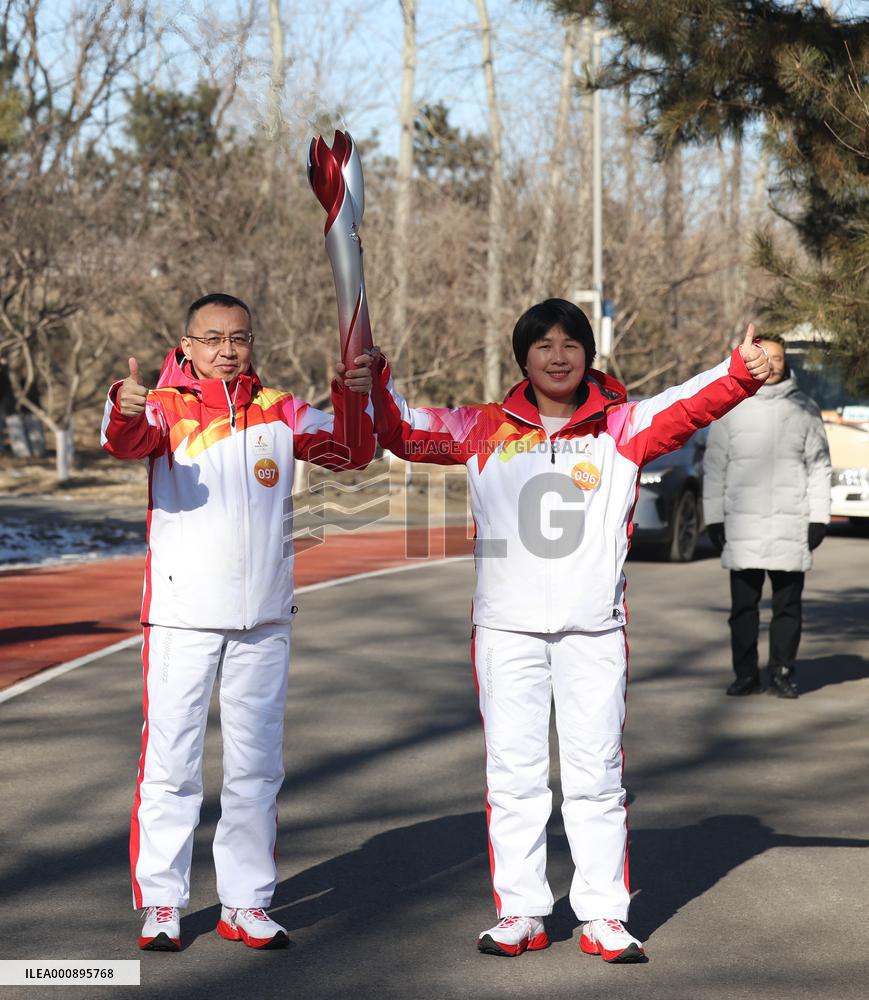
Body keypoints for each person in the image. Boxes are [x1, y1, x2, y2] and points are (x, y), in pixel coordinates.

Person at [370, 299, 770, 963]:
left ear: (588, 354)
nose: (558, 356)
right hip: (507, 633)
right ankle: (521, 911)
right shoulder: (480, 427)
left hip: (591, 632)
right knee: (514, 778)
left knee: (596, 778)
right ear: (521, 357)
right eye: (543, 345)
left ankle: (603, 915)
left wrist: (740, 371)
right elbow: (402, 432)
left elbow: (690, 402)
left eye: (570, 344)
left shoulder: (622, 425)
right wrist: (373, 383)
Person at [101, 292, 376, 952]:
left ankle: (245, 902)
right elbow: (125, 441)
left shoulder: (280, 409)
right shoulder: (164, 406)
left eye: (240, 338)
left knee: (256, 768)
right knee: (171, 764)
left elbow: (351, 452)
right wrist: (122, 403)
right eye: (213, 338)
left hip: (264, 617)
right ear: (187, 346)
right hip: (183, 615)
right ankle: (163, 903)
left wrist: (356, 395)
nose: (228, 350)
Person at [702, 334, 831, 699]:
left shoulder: (806, 408)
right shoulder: (731, 408)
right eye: (764, 356)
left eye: (777, 357)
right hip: (742, 525)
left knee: (787, 608)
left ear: (786, 362)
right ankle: (745, 675)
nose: (771, 364)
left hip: (791, 524)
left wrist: (818, 518)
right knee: (743, 610)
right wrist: (714, 518)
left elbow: (820, 468)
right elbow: (715, 468)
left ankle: (782, 673)